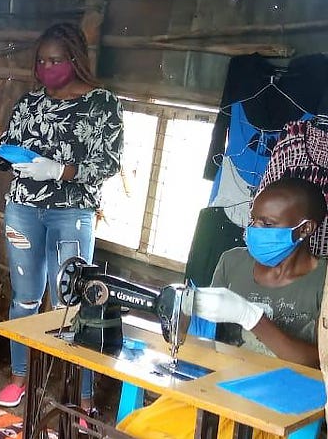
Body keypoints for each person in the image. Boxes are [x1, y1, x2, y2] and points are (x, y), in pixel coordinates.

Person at [0, 22, 123, 411]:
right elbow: (15, 153)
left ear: (74, 60)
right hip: (23, 209)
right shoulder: (30, 103)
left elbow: (108, 162)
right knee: (25, 298)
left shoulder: (102, 104)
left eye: (55, 60)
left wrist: (61, 171)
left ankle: (80, 396)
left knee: (72, 304)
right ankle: (20, 378)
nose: (46, 67)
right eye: (41, 61)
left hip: (71, 213)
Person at [119, 177, 325, 438]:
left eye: (267, 224)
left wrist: (249, 316)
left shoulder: (324, 282)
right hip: (218, 390)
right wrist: (185, 314)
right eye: (253, 220)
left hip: (276, 411)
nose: (254, 230)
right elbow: (203, 340)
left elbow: (317, 364)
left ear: (305, 229)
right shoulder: (232, 263)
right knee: (139, 428)